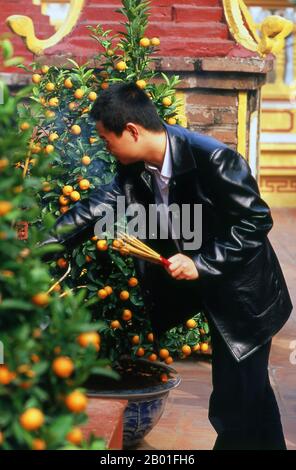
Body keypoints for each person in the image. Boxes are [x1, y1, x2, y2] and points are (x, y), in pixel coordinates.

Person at [44, 82, 292, 450]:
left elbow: (255, 221)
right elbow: (100, 204)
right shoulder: (137, 165)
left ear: (132, 130)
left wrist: (202, 263)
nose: (105, 146)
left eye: (106, 138)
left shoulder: (214, 158)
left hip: (246, 297)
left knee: (237, 401)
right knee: (246, 396)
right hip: (213, 291)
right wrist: (42, 246)